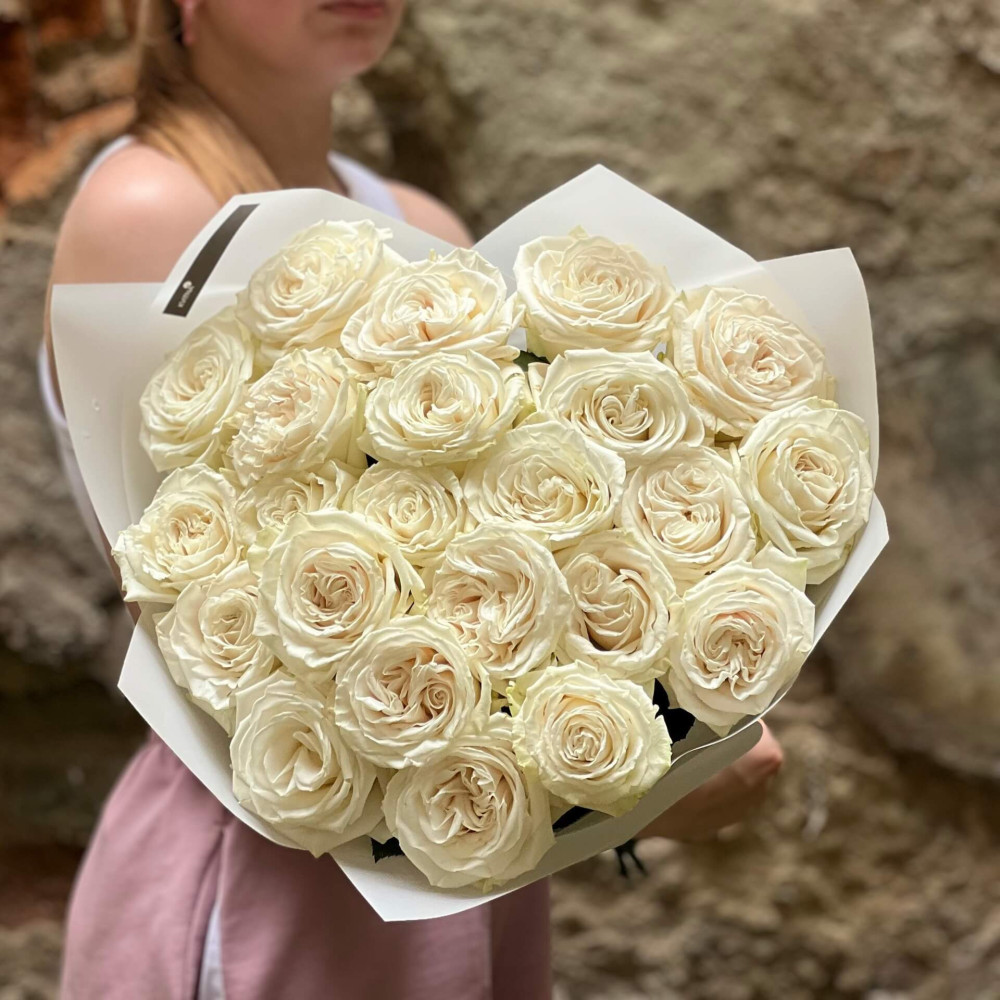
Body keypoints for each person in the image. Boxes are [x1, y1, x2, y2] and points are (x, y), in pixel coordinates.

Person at [41, 1, 784, 997]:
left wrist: (668, 711)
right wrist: (635, 789)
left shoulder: (417, 224)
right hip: (276, 849)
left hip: (457, 838)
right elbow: (215, 634)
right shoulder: (151, 207)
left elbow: (520, 557)